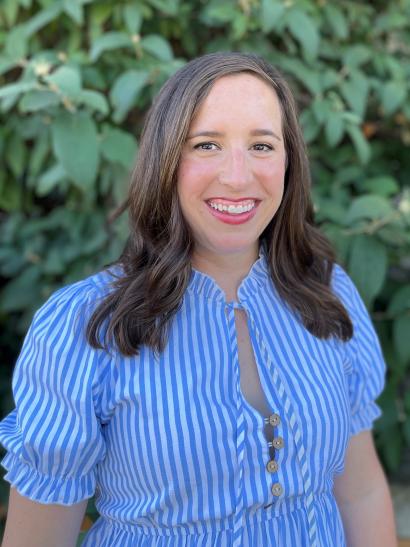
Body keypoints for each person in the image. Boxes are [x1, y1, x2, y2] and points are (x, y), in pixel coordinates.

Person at [0, 52, 396, 547]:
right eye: (206, 144)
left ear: (289, 162)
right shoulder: (84, 325)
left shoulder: (328, 291)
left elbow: (359, 495)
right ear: (164, 160)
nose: (237, 176)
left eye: (262, 145)